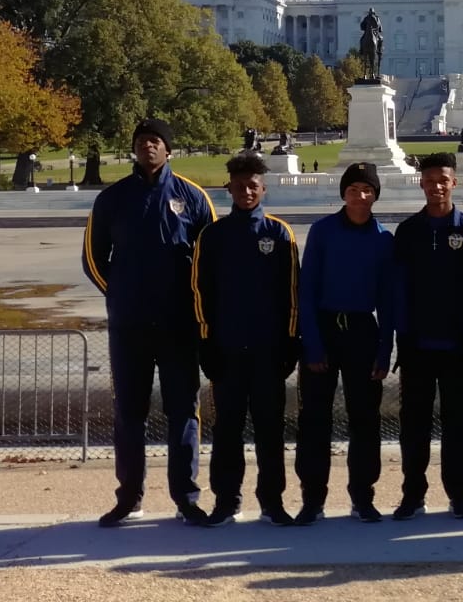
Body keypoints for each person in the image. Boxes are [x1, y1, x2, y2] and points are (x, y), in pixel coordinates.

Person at [81, 118, 216, 527]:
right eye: (141, 142)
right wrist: (121, 295)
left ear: (168, 149)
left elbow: (209, 262)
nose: (148, 147)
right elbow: (92, 258)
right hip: (130, 327)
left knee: (184, 412)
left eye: (155, 141)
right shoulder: (112, 199)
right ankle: (129, 496)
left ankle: (186, 497)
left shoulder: (193, 198)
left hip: (178, 326)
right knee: (129, 413)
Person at [191, 152, 300, 527]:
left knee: (271, 430)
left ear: (263, 189)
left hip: (269, 351)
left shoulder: (279, 233)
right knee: (227, 431)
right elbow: (200, 292)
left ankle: (272, 502)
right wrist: (206, 341)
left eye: (252, 185)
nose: (246, 191)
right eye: (239, 186)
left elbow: (292, 293)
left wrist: (291, 341)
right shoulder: (213, 235)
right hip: (228, 351)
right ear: (230, 190)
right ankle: (226, 500)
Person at [293, 162, 396, 525]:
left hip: (362, 330)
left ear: (375, 195)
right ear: (344, 194)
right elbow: (306, 292)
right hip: (324, 328)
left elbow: (388, 299)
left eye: (368, 190)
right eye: (354, 189)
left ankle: (362, 496)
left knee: (365, 420)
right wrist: (313, 345)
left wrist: (385, 349)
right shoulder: (322, 232)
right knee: (314, 420)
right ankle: (312, 498)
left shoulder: (384, 239)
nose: (361, 196)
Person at [392, 152, 463, 520]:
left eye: (442, 180)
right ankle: (413, 494)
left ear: (454, 182)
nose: (436, 186)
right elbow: (399, 288)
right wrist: (404, 335)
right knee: (413, 426)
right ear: (421, 183)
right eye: (430, 180)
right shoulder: (408, 231)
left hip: (457, 346)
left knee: (458, 426)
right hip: (417, 346)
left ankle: (458, 494)